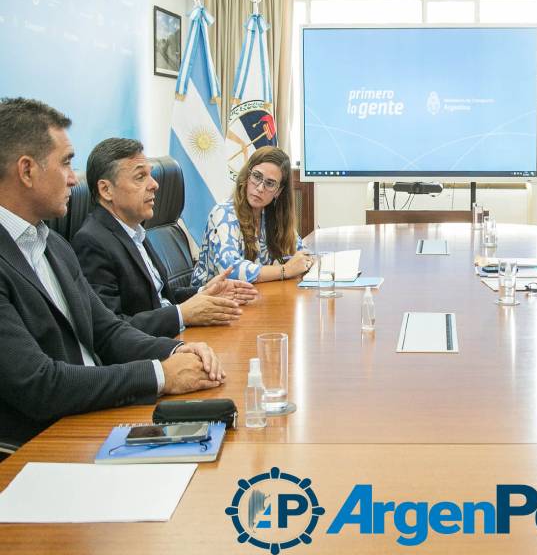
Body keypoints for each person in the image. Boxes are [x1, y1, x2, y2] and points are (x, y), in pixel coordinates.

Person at [0, 98, 223, 449]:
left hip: (98, 412)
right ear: (27, 171)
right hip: (44, 441)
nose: (74, 180)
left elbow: (107, 331)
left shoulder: (54, 244)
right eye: (66, 163)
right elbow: (37, 385)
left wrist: (177, 350)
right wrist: (159, 374)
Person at [72, 138, 259, 338]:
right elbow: (111, 329)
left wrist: (204, 291)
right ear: (106, 190)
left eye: (150, 175)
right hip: (150, 355)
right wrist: (183, 314)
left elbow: (160, 299)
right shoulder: (92, 241)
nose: (154, 184)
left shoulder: (133, 229)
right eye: (140, 177)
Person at [192, 146, 312, 285]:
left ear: (278, 191)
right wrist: (284, 270)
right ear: (247, 176)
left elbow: (300, 254)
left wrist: (303, 261)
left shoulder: (271, 215)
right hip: (211, 301)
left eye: (270, 183)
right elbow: (231, 270)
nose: (260, 188)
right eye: (256, 176)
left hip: (254, 297)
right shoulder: (224, 214)